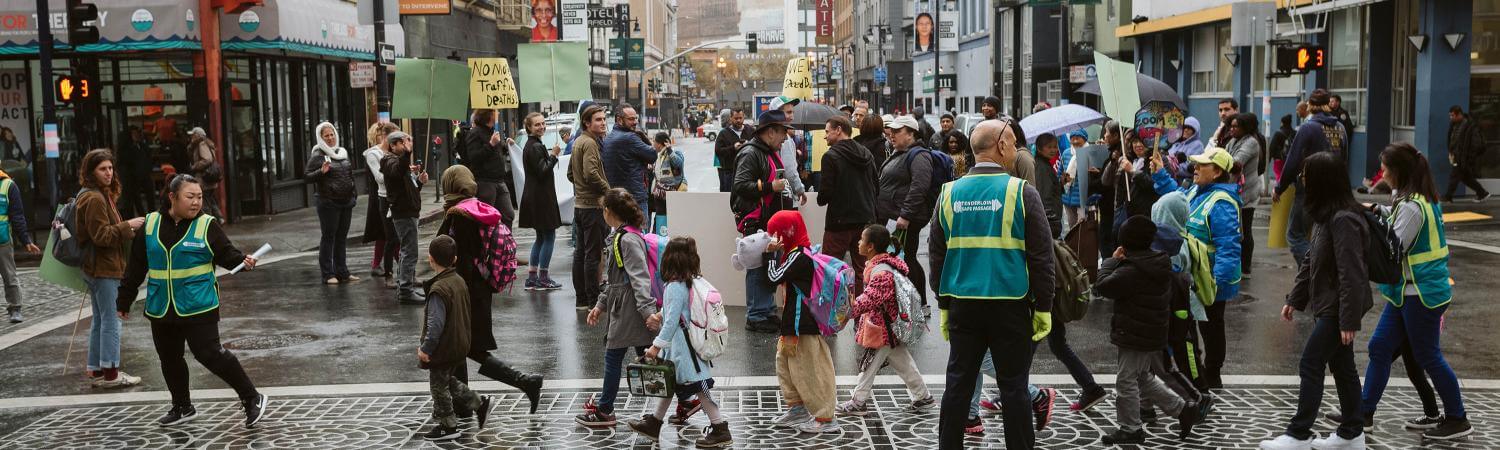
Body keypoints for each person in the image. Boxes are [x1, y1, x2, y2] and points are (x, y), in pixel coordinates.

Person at [930, 119, 1056, 450]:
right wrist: (1044, 306)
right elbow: (1042, 257)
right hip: (1010, 304)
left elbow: (937, 256)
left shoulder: (948, 193)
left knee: (957, 383)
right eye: (1013, 143)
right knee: (1014, 386)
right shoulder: (1021, 192)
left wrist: (943, 304)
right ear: (1001, 146)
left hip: (962, 303)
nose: (1015, 150)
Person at [116, 174, 268, 428]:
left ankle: (252, 397)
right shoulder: (151, 224)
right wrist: (124, 299)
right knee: (169, 358)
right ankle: (182, 406)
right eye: (190, 197)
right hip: (161, 305)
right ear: (172, 197)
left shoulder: (206, 225)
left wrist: (244, 262)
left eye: (199, 197)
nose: (196, 202)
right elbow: (136, 266)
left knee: (210, 354)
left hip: (199, 304)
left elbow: (227, 255)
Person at [1350, 143, 1473, 440]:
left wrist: (1366, 226)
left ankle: (1458, 418)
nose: (1382, 173)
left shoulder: (1412, 206)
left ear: (1399, 172)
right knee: (1380, 347)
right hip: (1407, 292)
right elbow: (1396, 220)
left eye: (1385, 168)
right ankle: (1363, 414)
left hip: (1421, 294)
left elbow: (1393, 248)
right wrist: (1378, 210)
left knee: (1428, 356)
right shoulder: (1415, 199)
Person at [1259, 151, 1372, 450]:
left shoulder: (1344, 219)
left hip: (1337, 308)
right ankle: (1352, 433)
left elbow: (1352, 273)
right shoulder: (1327, 214)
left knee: (1311, 362)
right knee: (1343, 367)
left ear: (1322, 179)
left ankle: (1299, 433)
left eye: (1306, 174)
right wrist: (1296, 298)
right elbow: (1311, 259)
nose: (1302, 179)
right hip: (1328, 305)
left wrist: (1348, 319)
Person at [437, 165, 545, 414]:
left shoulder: (459, 215)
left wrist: (451, 292)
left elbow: (462, 257)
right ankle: (466, 404)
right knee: (464, 347)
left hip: (466, 291)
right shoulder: (475, 207)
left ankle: (523, 383)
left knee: (463, 346)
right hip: (478, 289)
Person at [1095, 216, 1205, 445]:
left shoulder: (1132, 269)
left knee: (1126, 381)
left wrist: (1110, 261)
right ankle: (1183, 410)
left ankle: (1131, 428)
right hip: (1149, 332)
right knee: (1143, 377)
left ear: (1125, 243)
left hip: (1135, 334)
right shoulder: (1157, 262)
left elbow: (1103, 286)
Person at [627, 237, 735, 448]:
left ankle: (720, 428)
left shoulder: (675, 286)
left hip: (684, 353)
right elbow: (675, 311)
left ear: (669, 259)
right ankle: (654, 423)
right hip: (682, 350)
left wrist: (656, 346)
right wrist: (660, 315)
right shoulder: (689, 281)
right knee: (669, 385)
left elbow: (671, 322)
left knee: (701, 389)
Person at [576, 189, 662, 427]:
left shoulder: (626, 239)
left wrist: (648, 313)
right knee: (654, 356)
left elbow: (639, 278)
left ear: (609, 211)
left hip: (628, 309)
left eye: (603, 208)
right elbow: (617, 279)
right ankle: (687, 397)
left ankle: (605, 411)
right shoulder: (625, 235)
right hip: (626, 306)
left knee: (613, 357)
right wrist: (600, 305)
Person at [836, 225, 935, 416]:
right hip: (889, 326)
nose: (858, 242)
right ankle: (923, 397)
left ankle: (858, 401)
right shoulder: (885, 265)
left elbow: (871, 298)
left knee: (869, 365)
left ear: (871, 246)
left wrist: (850, 309)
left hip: (883, 328)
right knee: (903, 362)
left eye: (862, 240)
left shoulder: (881, 272)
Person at [763, 210, 841, 434]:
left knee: (811, 370)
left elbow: (773, 278)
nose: (772, 238)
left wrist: (770, 255)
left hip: (803, 323)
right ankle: (797, 408)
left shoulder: (800, 256)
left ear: (787, 232)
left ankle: (825, 417)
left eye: (774, 233)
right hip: (792, 322)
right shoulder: (793, 253)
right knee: (786, 365)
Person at [75, 149, 146, 389]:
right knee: (112, 320)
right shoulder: (94, 198)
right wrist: (128, 225)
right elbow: (101, 236)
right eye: (102, 169)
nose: (108, 173)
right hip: (104, 268)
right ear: (91, 172)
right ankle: (111, 373)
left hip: (96, 268)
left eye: (110, 168)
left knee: (101, 318)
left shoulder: (94, 194)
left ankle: (97, 369)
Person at [415, 234, 495, 441]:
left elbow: (435, 326)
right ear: (456, 259)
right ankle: (478, 403)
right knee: (448, 380)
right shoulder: (458, 280)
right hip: (459, 343)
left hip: (444, 347)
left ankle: (447, 424)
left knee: (438, 386)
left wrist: (426, 349)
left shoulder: (438, 289)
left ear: (430, 259)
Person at [1184, 148, 1244, 390]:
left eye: (1202, 165)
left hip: (1211, 280)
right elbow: (1173, 199)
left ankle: (1213, 373)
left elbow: (1228, 247)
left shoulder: (1222, 202)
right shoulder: (1195, 190)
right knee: (1190, 325)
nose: (1195, 168)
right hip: (1193, 276)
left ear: (1217, 172)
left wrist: (1216, 283)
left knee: (1210, 327)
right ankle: (1194, 371)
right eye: (1195, 164)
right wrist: (1159, 175)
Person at [732, 109, 795, 333]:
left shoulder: (764, 151)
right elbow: (740, 185)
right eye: (782, 132)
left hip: (767, 221)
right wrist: (768, 187)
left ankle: (765, 311)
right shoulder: (752, 153)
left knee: (768, 264)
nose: (785, 137)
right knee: (759, 267)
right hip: (756, 221)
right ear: (769, 133)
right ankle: (757, 315)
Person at [1274, 89, 1347, 268]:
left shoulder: (1308, 128)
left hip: (1309, 189)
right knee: (1323, 233)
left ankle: (1312, 272)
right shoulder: (1340, 128)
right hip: (1335, 190)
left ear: (1309, 106)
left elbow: (1292, 160)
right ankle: (1319, 275)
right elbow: (1344, 160)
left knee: (1295, 235)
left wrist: (1279, 187)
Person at [877, 115, 936, 308]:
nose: (892, 135)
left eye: (897, 131)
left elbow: (920, 187)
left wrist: (905, 215)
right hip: (895, 216)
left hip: (906, 219)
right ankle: (910, 302)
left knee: (908, 258)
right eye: (891, 131)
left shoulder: (919, 155)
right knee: (904, 258)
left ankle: (920, 303)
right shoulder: (900, 152)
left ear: (911, 134)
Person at [817, 116, 877, 293]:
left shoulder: (830, 156)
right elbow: (876, 186)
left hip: (838, 222)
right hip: (865, 219)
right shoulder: (866, 153)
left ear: (838, 130)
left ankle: (829, 316)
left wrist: (821, 197)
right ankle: (861, 316)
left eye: (827, 132)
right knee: (861, 270)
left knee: (829, 268)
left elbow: (825, 194)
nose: (825, 137)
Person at [569, 105, 613, 310]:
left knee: (581, 253)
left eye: (604, 119)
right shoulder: (589, 143)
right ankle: (592, 300)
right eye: (598, 120)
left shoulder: (579, 141)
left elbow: (572, 174)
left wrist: (581, 188)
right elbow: (590, 173)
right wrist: (608, 191)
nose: (603, 122)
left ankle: (581, 299)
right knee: (592, 255)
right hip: (591, 207)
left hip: (581, 206)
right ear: (587, 123)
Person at [306, 122, 359, 285]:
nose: (330, 138)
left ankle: (342, 271)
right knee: (329, 237)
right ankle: (328, 274)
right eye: (326, 136)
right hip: (329, 202)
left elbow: (350, 175)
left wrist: (354, 194)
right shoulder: (318, 155)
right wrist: (320, 172)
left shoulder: (342, 152)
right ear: (320, 138)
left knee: (342, 238)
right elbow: (307, 177)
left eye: (332, 134)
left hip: (346, 202)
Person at [381, 131, 429, 304]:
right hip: (403, 213)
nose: (407, 144)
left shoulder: (401, 164)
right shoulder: (388, 160)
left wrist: (420, 182)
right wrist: (407, 153)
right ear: (393, 145)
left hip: (409, 211)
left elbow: (410, 190)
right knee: (409, 251)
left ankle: (406, 286)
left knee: (408, 251)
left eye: (408, 141)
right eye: (403, 142)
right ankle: (406, 290)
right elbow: (397, 171)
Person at [517, 113, 564, 291]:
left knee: (540, 237)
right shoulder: (535, 146)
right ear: (529, 127)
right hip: (541, 199)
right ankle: (543, 278)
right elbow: (543, 171)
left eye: (543, 124)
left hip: (535, 197)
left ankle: (532, 277)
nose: (542, 127)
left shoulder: (531, 144)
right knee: (549, 236)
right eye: (537, 125)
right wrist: (554, 156)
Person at [1225, 113, 1265, 277]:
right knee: (1236, 229)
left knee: (1245, 229)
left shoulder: (1251, 143)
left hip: (1246, 192)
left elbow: (1235, 162)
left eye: (1236, 127)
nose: (1232, 129)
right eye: (1231, 126)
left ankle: (1245, 268)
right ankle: (1237, 264)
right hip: (1234, 190)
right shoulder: (1233, 141)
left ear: (1246, 128)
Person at [362, 122, 401, 287]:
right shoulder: (373, 154)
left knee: (396, 236)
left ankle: (405, 270)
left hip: (397, 197)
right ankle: (386, 271)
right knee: (387, 236)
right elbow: (380, 177)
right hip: (382, 198)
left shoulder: (395, 152)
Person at [465, 109, 518, 227]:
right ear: (489, 115)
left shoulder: (492, 131)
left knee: (508, 214)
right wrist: (491, 145)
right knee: (486, 218)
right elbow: (474, 157)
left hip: (499, 180)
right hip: (485, 182)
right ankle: (488, 243)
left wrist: (506, 146)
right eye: (496, 112)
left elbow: (496, 152)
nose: (498, 114)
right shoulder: (475, 133)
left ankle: (505, 242)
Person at [603, 105, 658, 218]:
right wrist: (643, 136)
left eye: (636, 118)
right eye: (631, 119)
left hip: (617, 197)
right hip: (635, 197)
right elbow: (652, 155)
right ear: (619, 120)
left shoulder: (608, 138)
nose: (635, 122)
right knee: (639, 233)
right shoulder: (630, 138)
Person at [0, 166, 37, 323]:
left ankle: (15, 308)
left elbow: (17, 215)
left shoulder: (8, 185)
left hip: (2, 241)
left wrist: (26, 240)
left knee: (9, 274)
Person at [1445, 106, 1490, 202]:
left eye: (1452, 115)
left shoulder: (1470, 126)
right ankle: (1482, 193)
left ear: (1459, 114)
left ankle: (1448, 196)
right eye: (1450, 115)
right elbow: (1452, 139)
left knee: (1454, 175)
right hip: (1456, 155)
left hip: (1464, 157)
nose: (1451, 118)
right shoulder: (1453, 124)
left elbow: (1475, 144)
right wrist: (1450, 151)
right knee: (1466, 178)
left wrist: (1469, 158)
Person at [649, 131, 685, 233]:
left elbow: (678, 164)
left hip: (671, 193)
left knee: (669, 219)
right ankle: (659, 238)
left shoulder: (674, 152)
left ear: (660, 144)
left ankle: (663, 238)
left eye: (654, 142)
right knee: (660, 218)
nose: (653, 144)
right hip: (661, 194)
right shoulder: (659, 155)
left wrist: (669, 149)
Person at [117, 126, 156, 218]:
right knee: (134, 199)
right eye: (135, 133)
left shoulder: (142, 146)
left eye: (138, 133)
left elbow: (148, 158)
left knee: (150, 195)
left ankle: (151, 215)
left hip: (144, 175)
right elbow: (125, 163)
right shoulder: (126, 149)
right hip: (132, 177)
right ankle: (140, 216)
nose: (137, 135)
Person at [1033, 133, 1065, 237]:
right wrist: (1052, 221)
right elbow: (1044, 194)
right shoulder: (1042, 167)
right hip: (1049, 221)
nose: (1053, 150)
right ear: (1039, 148)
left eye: (1055, 146)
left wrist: (1061, 183)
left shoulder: (1045, 164)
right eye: (1049, 147)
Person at [714, 108, 750, 193]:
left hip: (748, 173)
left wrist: (749, 144)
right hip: (730, 173)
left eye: (740, 118)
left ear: (744, 117)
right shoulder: (724, 133)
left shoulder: (750, 130)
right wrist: (733, 148)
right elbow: (718, 151)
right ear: (730, 118)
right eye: (736, 118)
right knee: (728, 200)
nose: (738, 120)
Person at [1169, 117, 1206, 183]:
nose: (1185, 130)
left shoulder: (1197, 145)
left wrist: (1170, 168)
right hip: (1171, 180)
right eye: (1184, 127)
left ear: (1195, 132)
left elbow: (1190, 168)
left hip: (1185, 184)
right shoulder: (1176, 144)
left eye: (1189, 128)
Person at [1269, 114, 1296, 182]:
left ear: (1282, 123)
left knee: (1279, 176)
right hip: (1291, 159)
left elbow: (1272, 147)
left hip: (1279, 159)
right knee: (1289, 178)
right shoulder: (1295, 133)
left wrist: (1268, 159)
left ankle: (1280, 191)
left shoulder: (1278, 133)